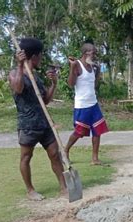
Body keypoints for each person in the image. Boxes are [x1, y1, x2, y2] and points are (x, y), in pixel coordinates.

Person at [8, 38, 68, 201]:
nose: (41, 59)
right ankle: (30, 190)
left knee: (55, 154)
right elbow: (18, 88)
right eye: (40, 56)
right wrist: (20, 66)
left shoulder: (36, 76)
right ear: (33, 56)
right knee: (26, 157)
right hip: (28, 125)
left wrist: (53, 84)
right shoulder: (14, 73)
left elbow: (45, 100)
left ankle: (63, 186)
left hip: (44, 122)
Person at [64, 42, 109, 165]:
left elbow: (93, 85)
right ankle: (65, 150)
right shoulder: (77, 65)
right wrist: (72, 68)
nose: (95, 55)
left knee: (97, 130)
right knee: (79, 132)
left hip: (93, 103)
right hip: (82, 105)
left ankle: (95, 158)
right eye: (93, 53)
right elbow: (71, 84)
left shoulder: (92, 67)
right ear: (86, 53)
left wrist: (98, 70)